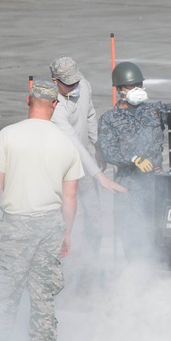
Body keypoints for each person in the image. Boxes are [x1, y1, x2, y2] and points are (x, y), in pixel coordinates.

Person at [0, 79, 84, 341]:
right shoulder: (66, 143)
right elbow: (70, 196)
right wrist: (67, 232)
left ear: (28, 101)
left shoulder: (8, 136)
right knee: (43, 295)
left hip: (15, 226)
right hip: (50, 225)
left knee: (3, 293)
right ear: (54, 105)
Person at [49, 56, 126, 291]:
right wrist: (99, 175)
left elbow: (90, 115)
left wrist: (99, 147)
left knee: (96, 220)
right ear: (56, 81)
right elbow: (73, 143)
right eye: (68, 84)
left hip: (86, 166)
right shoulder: (55, 106)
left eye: (76, 82)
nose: (74, 87)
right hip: (66, 172)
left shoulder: (83, 84)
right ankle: (72, 282)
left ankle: (91, 271)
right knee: (75, 225)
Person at [97, 61, 170, 260]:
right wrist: (133, 159)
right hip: (129, 188)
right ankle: (136, 280)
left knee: (161, 238)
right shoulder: (109, 119)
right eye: (131, 86)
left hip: (156, 185)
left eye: (139, 84)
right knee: (133, 239)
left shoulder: (155, 111)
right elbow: (108, 150)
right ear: (120, 89)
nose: (137, 89)